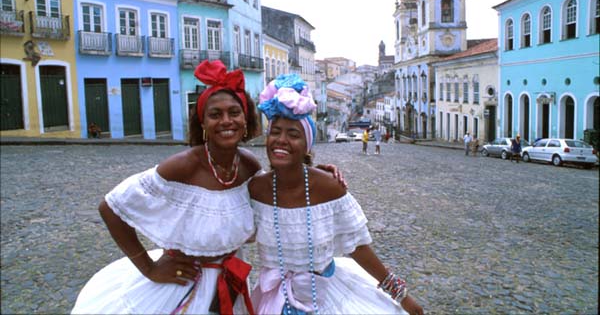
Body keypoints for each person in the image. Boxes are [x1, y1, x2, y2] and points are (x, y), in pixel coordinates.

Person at [71, 61, 344, 315]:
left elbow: (274, 189)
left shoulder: (247, 165)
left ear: (245, 120)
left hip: (231, 284)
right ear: (203, 124)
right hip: (182, 288)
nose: (226, 121)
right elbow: (111, 207)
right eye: (215, 114)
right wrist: (149, 268)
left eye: (234, 112)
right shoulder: (183, 166)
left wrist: (312, 173)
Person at [249, 74, 424, 315]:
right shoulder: (255, 189)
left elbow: (357, 247)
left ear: (307, 145)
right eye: (275, 132)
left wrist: (400, 295)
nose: (281, 140)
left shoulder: (329, 187)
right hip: (271, 303)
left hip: (326, 301)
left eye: (293, 134)